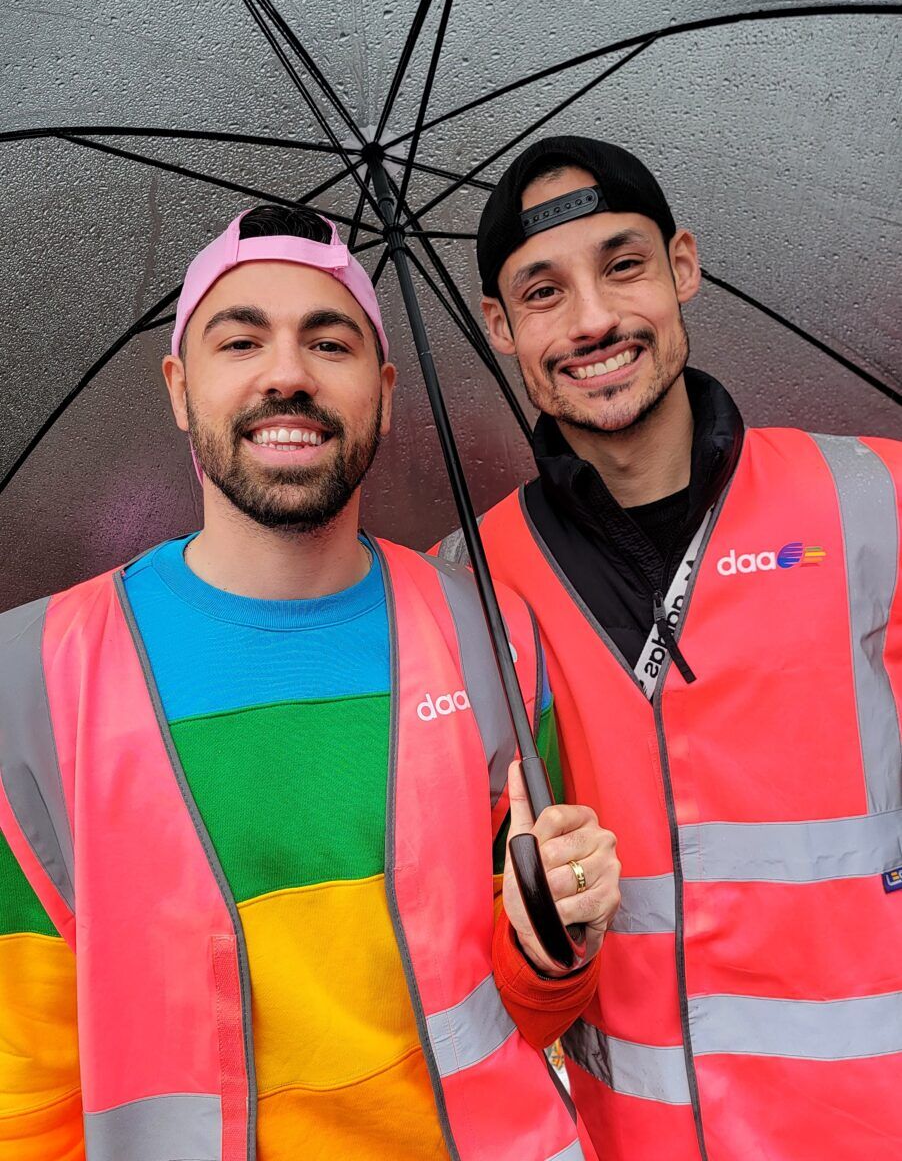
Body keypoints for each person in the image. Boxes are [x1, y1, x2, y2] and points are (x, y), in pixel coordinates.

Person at [0, 205, 623, 1161]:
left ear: (380, 389)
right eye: (241, 337)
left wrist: (556, 950)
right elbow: (24, 1102)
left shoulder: (489, 636)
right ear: (179, 386)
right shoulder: (30, 680)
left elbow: (530, 1013)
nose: (287, 373)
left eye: (327, 342)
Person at [438, 136, 902, 1160]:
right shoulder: (459, 591)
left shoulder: (875, 500)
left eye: (622, 265)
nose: (593, 320)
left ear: (681, 265)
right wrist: (545, 941)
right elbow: (504, 1005)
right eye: (542, 291)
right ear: (498, 327)